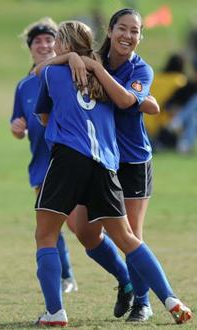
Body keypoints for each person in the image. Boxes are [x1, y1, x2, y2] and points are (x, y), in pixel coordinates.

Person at [34, 19, 191, 327]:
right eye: (122, 28)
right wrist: (80, 59)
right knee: (116, 236)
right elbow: (137, 102)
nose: (127, 35)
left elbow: (43, 111)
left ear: (62, 45)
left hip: (93, 160)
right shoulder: (100, 74)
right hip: (107, 164)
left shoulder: (55, 72)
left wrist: (69, 62)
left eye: (134, 30)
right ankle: (170, 298)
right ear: (105, 34)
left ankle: (55, 312)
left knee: (46, 235)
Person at [10, 17, 78, 294]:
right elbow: (18, 125)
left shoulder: (68, 74)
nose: (43, 44)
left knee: (81, 226)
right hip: (41, 163)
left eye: (49, 39)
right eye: (37, 41)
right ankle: (66, 276)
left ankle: (124, 277)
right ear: (30, 48)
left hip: (72, 158)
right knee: (48, 224)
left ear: (58, 44)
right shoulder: (24, 85)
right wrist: (17, 129)